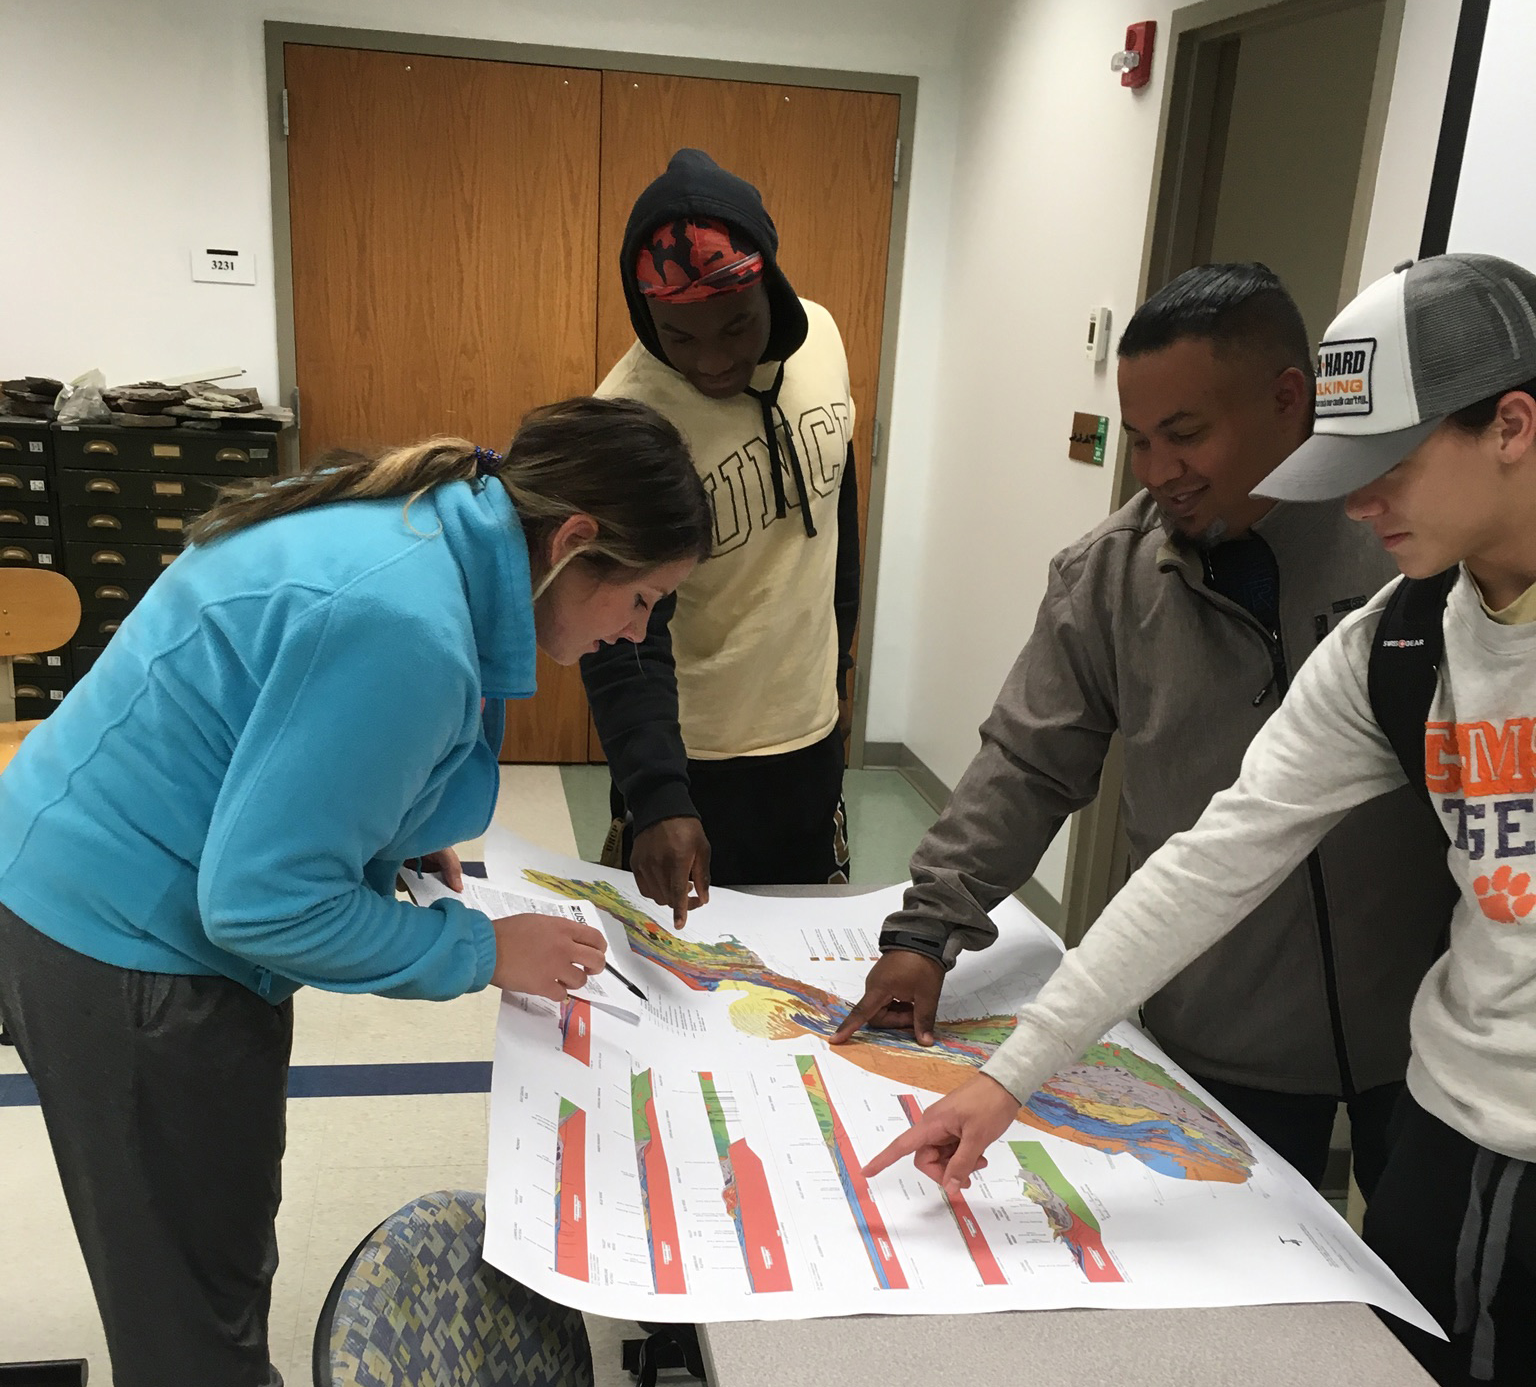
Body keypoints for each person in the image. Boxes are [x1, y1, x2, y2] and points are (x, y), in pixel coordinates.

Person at [871, 253, 1536, 1386]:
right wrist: (1006, 1075)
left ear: (1511, 425)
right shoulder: (1400, 640)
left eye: (1393, 466)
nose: (1364, 500)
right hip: (1442, 1109)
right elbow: (1210, 859)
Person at [0, 397, 712, 1387]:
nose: (635, 632)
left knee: (212, 1255)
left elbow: (276, 729)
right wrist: (485, 950)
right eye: (640, 599)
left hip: (83, 859)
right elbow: (261, 905)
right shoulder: (406, 625)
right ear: (575, 540)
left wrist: (392, 837)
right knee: (191, 1311)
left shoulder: (433, 517)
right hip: (123, 943)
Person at [835, 263, 1454, 1196]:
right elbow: (1028, 763)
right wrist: (928, 931)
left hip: (1420, 1021)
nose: (1161, 470)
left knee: (1427, 1287)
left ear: (1291, 400)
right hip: (1215, 1017)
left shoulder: (1406, 546)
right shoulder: (1110, 576)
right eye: (1140, 440)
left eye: (1188, 434)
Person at [581, 148, 860, 926]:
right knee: (675, 981)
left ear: (771, 284)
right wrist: (657, 792)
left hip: (809, 740)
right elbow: (618, 634)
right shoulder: (628, 419)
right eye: (681, 338)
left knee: (800, 979)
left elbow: (836, 508)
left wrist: (839, 670)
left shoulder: (824, 338)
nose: (715, 360)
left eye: (737, 327)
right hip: (688, 761)